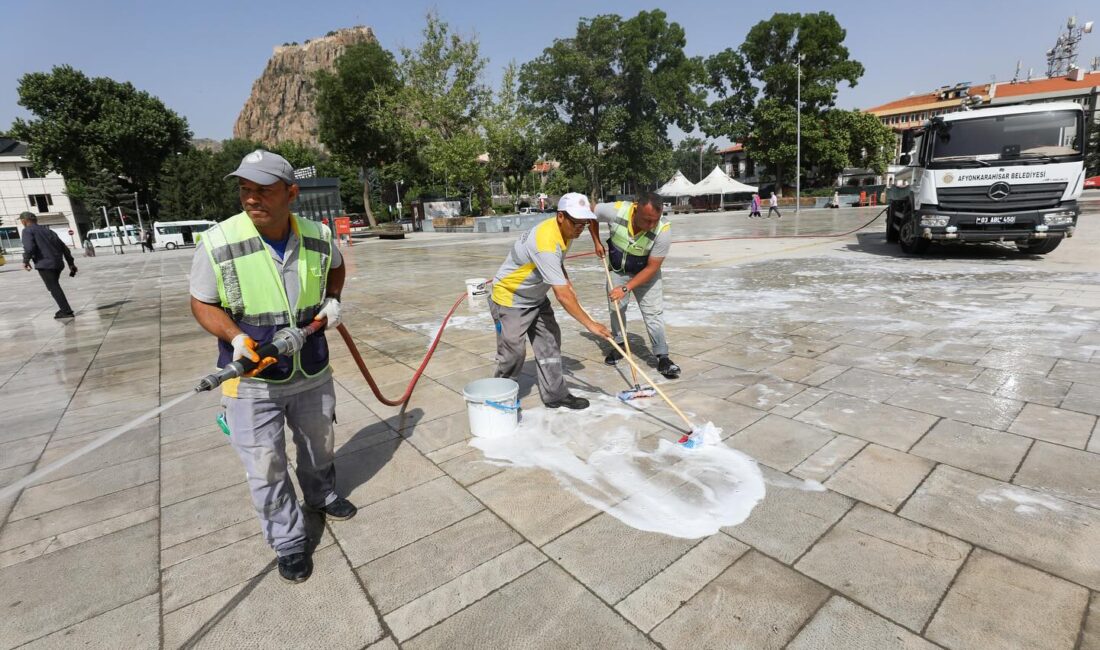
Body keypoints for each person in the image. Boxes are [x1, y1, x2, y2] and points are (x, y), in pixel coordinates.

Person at [188, 150, 354, 584]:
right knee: (265, 465)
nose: (251, 198)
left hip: (312, 371)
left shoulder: (318, 235)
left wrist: (332, 302)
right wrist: (237, 339)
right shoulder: (219, 241)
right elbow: (201, 302)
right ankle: (289, 541)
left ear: (291, 193)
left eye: (264, 190)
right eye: (245, 189)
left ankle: (321, 495)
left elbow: (336, 269)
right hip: (252, 382)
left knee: (320, 447)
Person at [489, 192, 612, 410]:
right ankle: (500, 396)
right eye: (576, 222)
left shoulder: (564, 231)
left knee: (550, 343)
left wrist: (565, 277)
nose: (580, 228)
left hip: (536, 298)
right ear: (561, 216)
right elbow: (562, 296)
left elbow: (556, 261)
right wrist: (591, 325)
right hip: (510, 299)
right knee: (513, 354)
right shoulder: (545, 241)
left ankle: (555, 394)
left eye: (584, 223)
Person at [591, 191, 681, 379]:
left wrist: (625, 288)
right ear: (635, 209)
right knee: (616, 308)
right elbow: (592, 213)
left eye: (654, 220)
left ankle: (662, 356)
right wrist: (596, 241)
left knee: (653, 312)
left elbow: (653, 267)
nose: (650, 225)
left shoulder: (663, 230)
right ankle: (619, 345)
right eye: (646, 220)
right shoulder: (616, 211)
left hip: (646, 273)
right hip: (618, 269)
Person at [20, 212, 77, 319]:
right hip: (58, 264)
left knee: (53, 287)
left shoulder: (27, 231)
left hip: (45, 264)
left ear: (23, 221)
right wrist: (71, 263)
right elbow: (64, 248)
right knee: (53, 286)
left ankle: (66, 311)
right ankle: (63, 308)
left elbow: (29, 247)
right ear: (35, 220)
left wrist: (26, 260)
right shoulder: (48, 230)